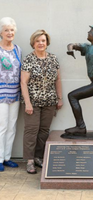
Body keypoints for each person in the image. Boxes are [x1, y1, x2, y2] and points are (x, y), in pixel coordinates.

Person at [21, 30, 63, 174]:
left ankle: (39, 157)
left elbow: (57, 79)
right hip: (32, 101)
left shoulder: (53, 58)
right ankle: (30, 160)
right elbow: (23, 83)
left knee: (44, 131)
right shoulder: (28, 59)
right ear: (33, 43)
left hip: (50, 101)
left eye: (43, 41)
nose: (40, 43)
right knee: (31, 130)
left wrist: (59, 98)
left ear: (47, 43)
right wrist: (27, 103)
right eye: (38, 40)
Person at [0, 17, 21, 172]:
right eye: (6, 30)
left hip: (15, 94)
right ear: (1, 32)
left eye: (12, 30)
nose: (9, 32)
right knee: (2, 126)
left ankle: (7, 157)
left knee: (12, 126)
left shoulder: (18, 49)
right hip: (1, 94)